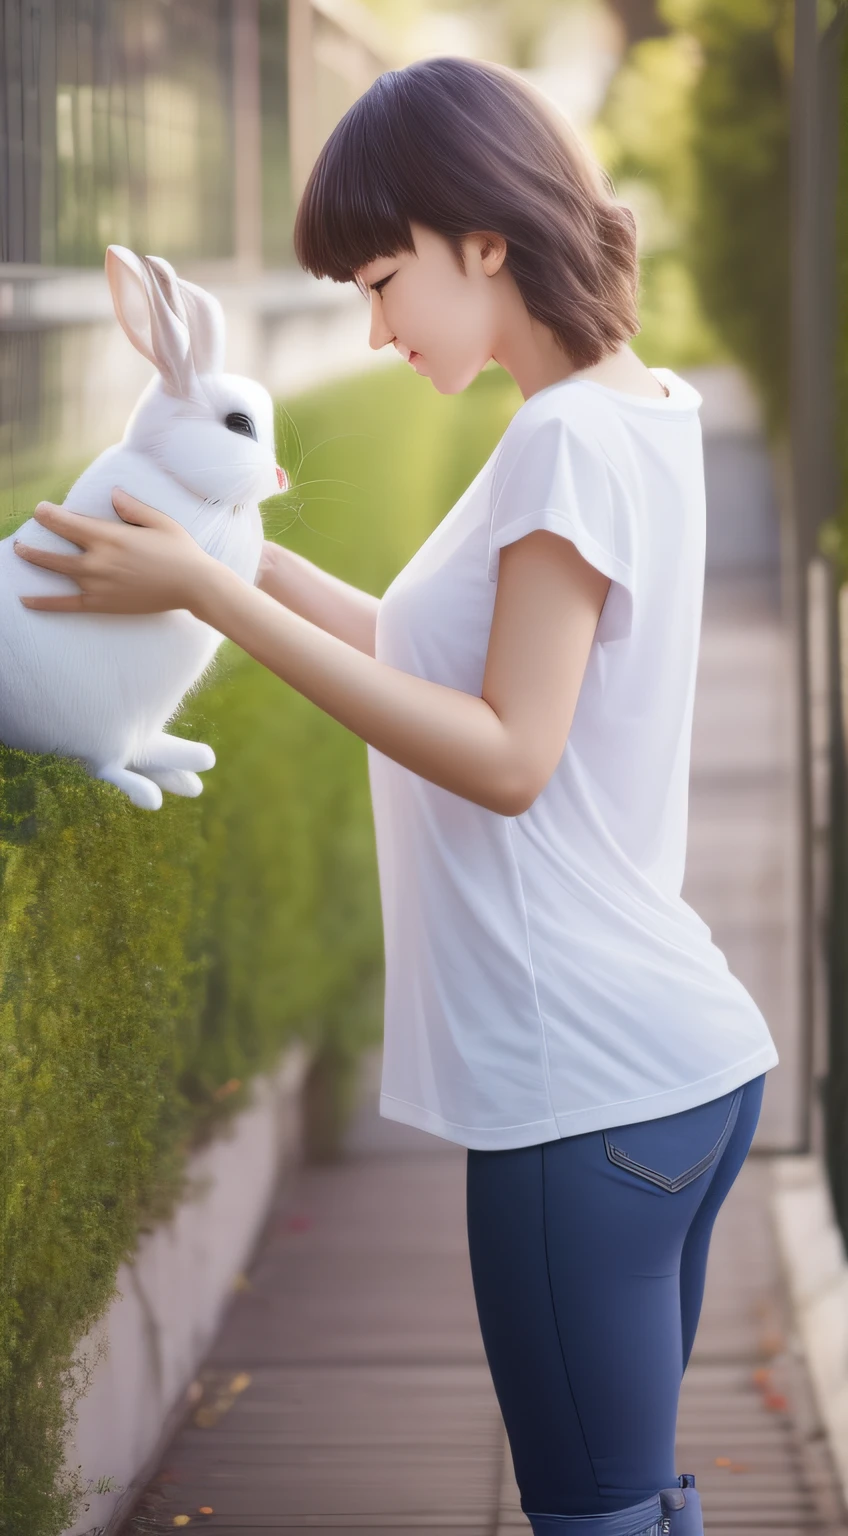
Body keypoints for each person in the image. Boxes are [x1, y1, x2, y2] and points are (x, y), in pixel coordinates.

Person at [14, 55, 779, 1536]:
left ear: (483, 239)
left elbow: (505, 754)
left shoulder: (558, 443)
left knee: (598, 1515)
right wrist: (207, 554)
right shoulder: (641, 408)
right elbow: (426, 651)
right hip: (674, 1068)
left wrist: (212, 601)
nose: (370, 331)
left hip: (588, 1098)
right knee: (634, 1503)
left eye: (380, 281)